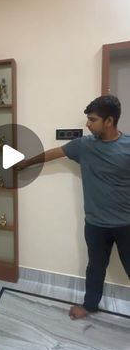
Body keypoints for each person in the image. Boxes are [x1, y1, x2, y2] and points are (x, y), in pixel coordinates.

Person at [16, 95, 130, 320]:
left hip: (126, 224)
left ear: (109, 121)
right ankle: (89, 305)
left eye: (92, 119)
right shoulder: (84, 146)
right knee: (95, 268)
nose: (87, 124)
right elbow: (53, 153)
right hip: (95, 224)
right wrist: (26, 162)